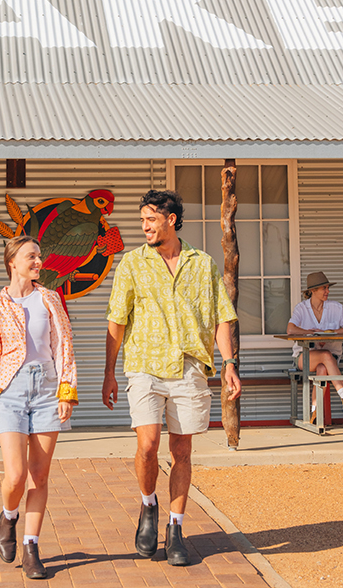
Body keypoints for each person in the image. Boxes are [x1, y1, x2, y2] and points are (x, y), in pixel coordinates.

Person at [102, 189, 241, 567]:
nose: (144, 226)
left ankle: (176, 527)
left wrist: (229, 363)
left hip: (190, 368)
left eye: (151, 219)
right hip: (145, 365)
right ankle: (149, 504)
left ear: (171, 220)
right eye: (142, 220)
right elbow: (117, 321)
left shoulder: (203, 264)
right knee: (147, 445)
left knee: (181, 451)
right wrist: (109, 373)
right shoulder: (131, 264)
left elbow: (220, 317)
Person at [0, 235, 78, 580]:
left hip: (48, 389)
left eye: (39, 256)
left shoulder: (50, 298)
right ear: (13, 262)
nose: (38, 262)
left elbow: (64, 346)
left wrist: (67, 391)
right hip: (10, 391)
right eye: (31, 257)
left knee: (40, 475)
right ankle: (8, 516)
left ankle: (31, 546)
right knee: (16, 475)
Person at [287, 271, 343, 422]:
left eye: (328, 288)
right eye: (324, 288)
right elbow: (290, 330)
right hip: (304, 357)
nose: (327, 291)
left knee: (323, 368)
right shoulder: (301, 308)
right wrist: (311, 334)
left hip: (331, 359)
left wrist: (331, 333)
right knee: (325, 355)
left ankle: (314, 411)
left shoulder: (335, 307)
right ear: (312, 291)